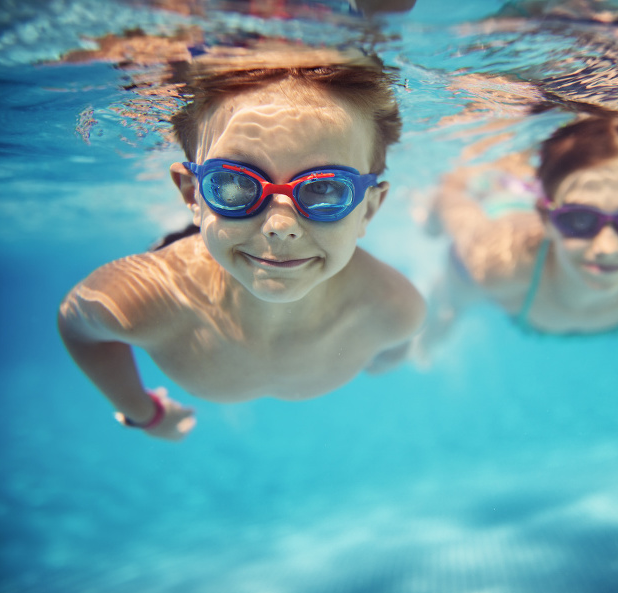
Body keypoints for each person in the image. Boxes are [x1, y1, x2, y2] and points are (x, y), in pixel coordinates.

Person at [58, 46, 425, 441]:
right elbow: (77, 327)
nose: (280, 226)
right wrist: (142, 412)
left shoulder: (394, 310)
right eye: (233, 182)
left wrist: (384, 356)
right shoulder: (143, 299)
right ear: (192, 195)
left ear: (368, 210)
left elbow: (394, 349)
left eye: (324, 189)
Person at [417, 115, 618, 356]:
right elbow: (449, 197)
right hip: (502, 210)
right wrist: (431, 226)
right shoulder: (497, 261)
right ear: (545, 217)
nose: (607, 248)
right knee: (452, 303)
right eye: (580, 219)